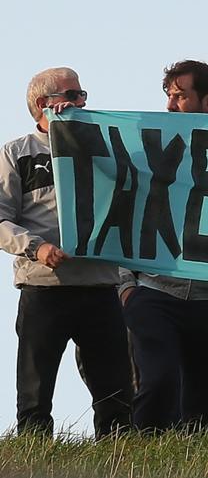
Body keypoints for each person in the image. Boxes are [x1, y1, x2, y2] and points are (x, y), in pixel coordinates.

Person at [0, 68, 133, 436]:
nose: (82, 102)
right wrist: (36, 247)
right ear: (45, 104)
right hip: (44, 288)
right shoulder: (17, 153)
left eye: (82, 95)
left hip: (100, 286)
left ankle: (119, 470)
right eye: (73, 95)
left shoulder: (106, 150)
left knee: (116, 396)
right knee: (35, 395)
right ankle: (32, 474)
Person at [121, 59, 208, 431]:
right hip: (157, 291)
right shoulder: (148, 156)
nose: (171, 105)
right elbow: (122, 215)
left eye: (180, 96)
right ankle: (140, 467)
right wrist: (127, 284)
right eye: (169, 96)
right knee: (158, 383)